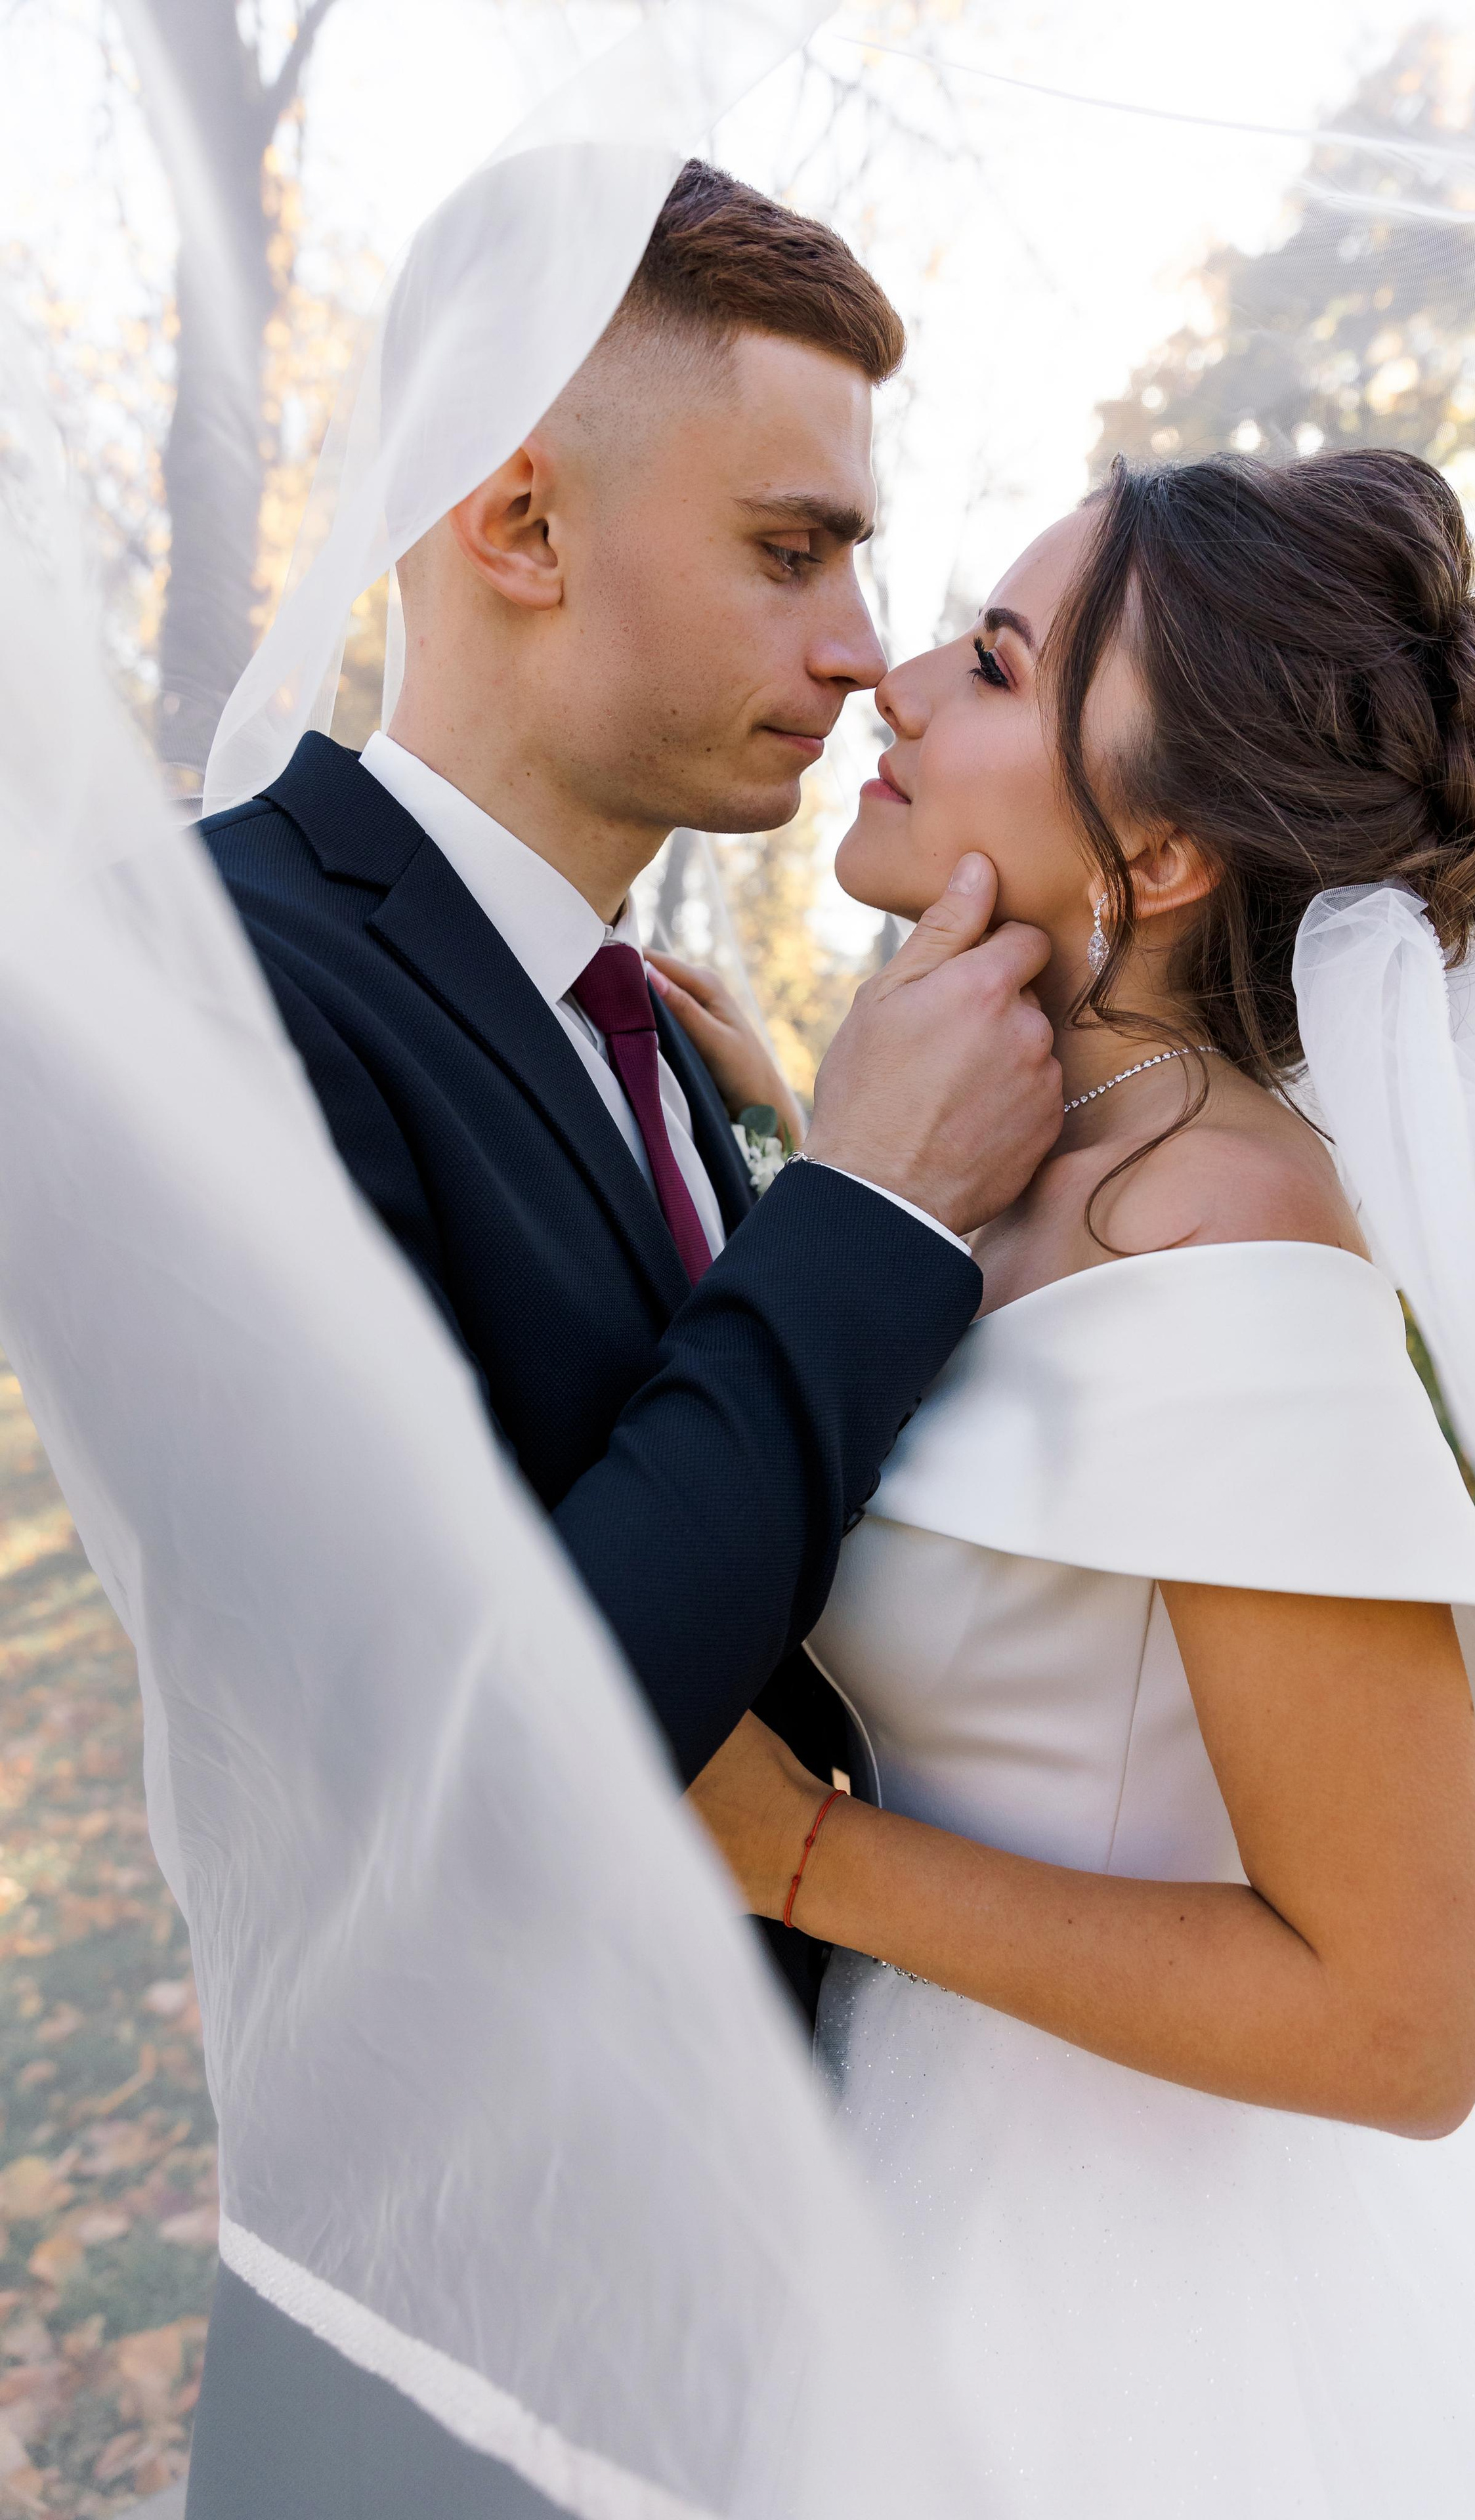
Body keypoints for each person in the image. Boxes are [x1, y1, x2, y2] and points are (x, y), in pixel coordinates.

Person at [185, 163, 1060, 2517]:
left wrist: (797, 1164)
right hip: (470, 2369)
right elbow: (495, 1756)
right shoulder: (223, 979)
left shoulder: (644, 1021)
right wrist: (867, 1210)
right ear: (521, 524)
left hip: (794, 2288)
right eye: (795, 550)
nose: (870, 648)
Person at [685, 448, 1475, 2516]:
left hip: (1156, 2308)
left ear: (1151, 851)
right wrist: (812, 1147)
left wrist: (804, 1857)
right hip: (934, 2155)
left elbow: (1403, 2025)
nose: (898, 691)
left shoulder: (1231, 1245)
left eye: (988, 664)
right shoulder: (1037, 1151)